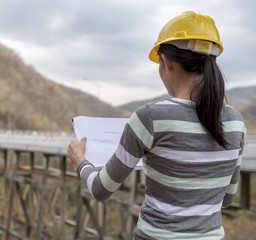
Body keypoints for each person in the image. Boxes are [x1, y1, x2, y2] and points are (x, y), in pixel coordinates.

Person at [68, 11, 246, 240]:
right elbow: (227, 198)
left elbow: (101, 189)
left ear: (167, 62)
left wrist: (80, 160)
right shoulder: (236, 122)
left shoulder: (150, 117)